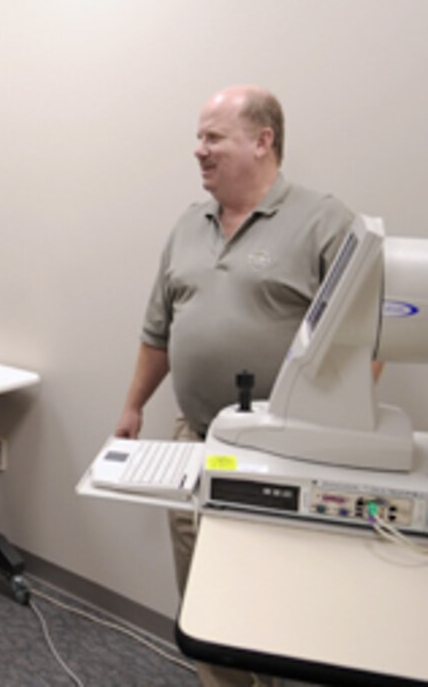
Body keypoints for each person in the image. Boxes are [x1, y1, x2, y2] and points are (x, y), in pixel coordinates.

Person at [114, 85, 353, 687]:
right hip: (195, 437)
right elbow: (158, 331)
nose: (199, 150)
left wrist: (327, 432)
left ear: (262, 141)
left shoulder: (324, 223)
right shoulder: (188, 226)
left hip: (282, 454)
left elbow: (361, 345)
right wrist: (133, 405)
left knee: (275, 599)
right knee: (203, 594)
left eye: (212, 137)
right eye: (199, 137)